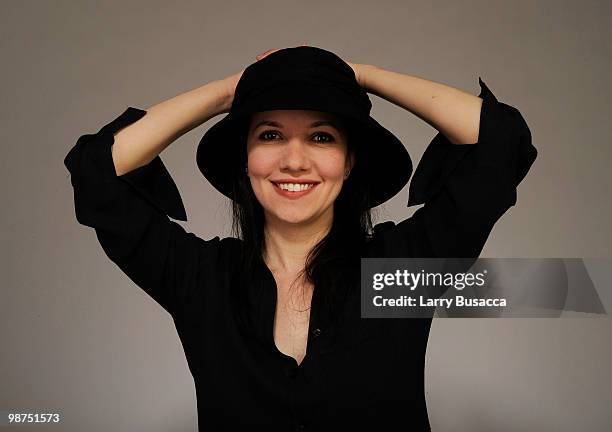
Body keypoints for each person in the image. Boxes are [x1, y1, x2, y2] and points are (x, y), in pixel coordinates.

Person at [64, 46, 537, 431]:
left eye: (322, 137)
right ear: (245, 159)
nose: (294, 162)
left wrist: (358, 74)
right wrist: (234, 90)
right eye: (270, 135)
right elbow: (97, 172)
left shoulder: (395, 274)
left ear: (350, 162)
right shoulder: (202, 279)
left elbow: (501, 142)